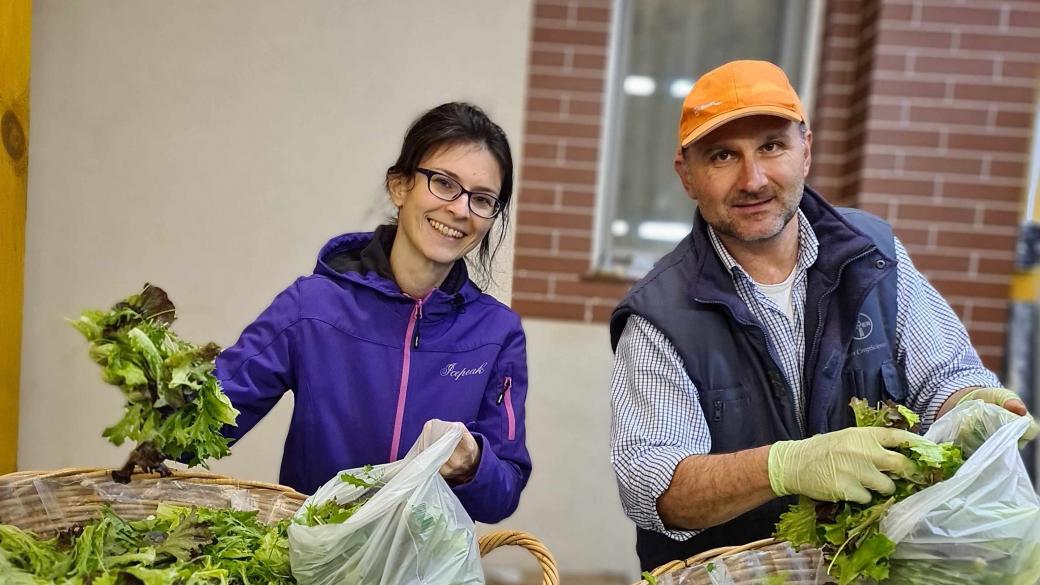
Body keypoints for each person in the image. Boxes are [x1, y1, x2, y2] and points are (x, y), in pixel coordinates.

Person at [608, 60, 1039, 571]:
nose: (753, 179)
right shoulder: (660, 315)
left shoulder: (875, 256)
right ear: (687, 175)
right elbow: (654, 489)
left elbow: (944, 378)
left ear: (805, 151)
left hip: (879, 570)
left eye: (772, 146)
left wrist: (972, 407)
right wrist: (783, 466)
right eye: (723, 156)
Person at [216, 102, 530, 523]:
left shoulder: (496, 333)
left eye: (482, 199)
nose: (460, 209)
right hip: (316, 563)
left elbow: (502, 495)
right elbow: (210, 421)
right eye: (443, 183)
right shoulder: (312, 308)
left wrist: (474, 465)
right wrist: (164, 391)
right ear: (399, 187)